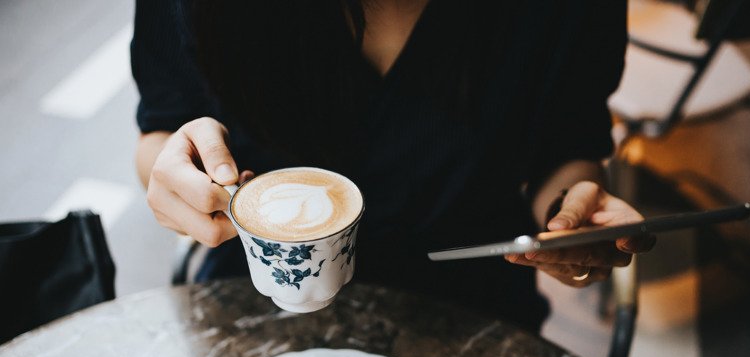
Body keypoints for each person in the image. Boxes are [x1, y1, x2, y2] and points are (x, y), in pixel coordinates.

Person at [131, 0, 654, 332]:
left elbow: (566, 145)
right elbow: (163, 127)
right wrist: (174, 176)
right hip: (256, 296)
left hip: (470, 301)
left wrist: (569, 215)